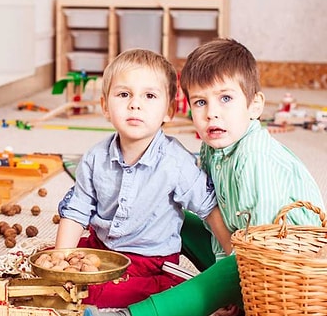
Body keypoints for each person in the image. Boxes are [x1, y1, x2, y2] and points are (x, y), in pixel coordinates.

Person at [86, 39, 325, 316]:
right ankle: (141, 273)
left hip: (282, 268)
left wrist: (233, 286)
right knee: (174, 213)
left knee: (229, 268)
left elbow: (261, 248)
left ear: (254, 105)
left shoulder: (254, 158)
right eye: (201, 102)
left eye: (225, 98)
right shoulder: (213, 148)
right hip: (239, 246)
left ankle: (139, 313)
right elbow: (214, 216)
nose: (212, 113)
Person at [55, 49, 231, 309]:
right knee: (46, 262)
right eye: (124, 94)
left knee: (101, 294)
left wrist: (231, 261)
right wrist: (61, 262)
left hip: (150, 263)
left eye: (149, 96)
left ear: (168, 110)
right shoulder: (94, 158)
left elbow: (208, 208)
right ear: (105, 106)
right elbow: (76, 211)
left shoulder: (175, 162)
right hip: (102, 249)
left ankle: (162, 292)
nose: (135, 104)